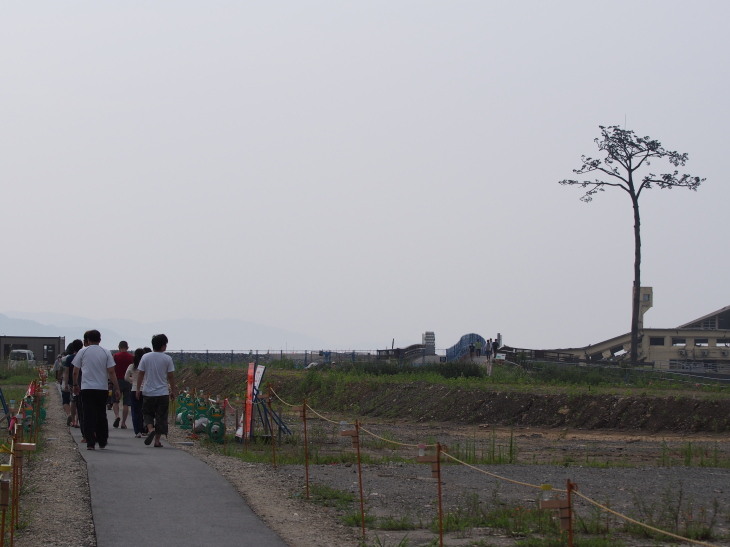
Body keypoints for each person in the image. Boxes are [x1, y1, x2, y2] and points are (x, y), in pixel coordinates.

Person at [73, 330, 120, 450]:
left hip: (87, 388)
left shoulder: (82, 352)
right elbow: (111, 371)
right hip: (101, 388)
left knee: (88, 415)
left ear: (88, 340)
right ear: (100, 339)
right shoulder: (106, 352)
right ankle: (102, 440)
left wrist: (75, 385)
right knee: (101, 414)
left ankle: (90, 442)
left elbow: (75, 371)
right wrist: (116, 387)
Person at [136, 334, 176, 448]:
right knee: (161, 417)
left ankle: (150, 429)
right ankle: (157, 441)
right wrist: (173, 391)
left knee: (147, 412)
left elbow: (140, 374)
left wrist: (138, 389)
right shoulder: (167, 358)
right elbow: (171, 376)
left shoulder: (145, 357)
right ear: (163, 346)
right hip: (162, 393)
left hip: (148, 392)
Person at [125, 347, 151, 438]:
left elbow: (126, 377)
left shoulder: (132, 366)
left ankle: (138, 431)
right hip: (146, 390)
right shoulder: (146, 366)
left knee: (135, 411)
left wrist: (133, 381)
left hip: (134, 389)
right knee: (145, 411)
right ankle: (146, 429)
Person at [112, 341, 134, 429]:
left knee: (115, 400)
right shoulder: (131, 357)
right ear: (127, 347)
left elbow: (112, 369)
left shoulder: (116, 356)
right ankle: (123, 423)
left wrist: (111, 381)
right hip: (128, 381)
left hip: (117, 380)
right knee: (126, 403)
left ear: (119, 347)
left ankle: (117, 416)